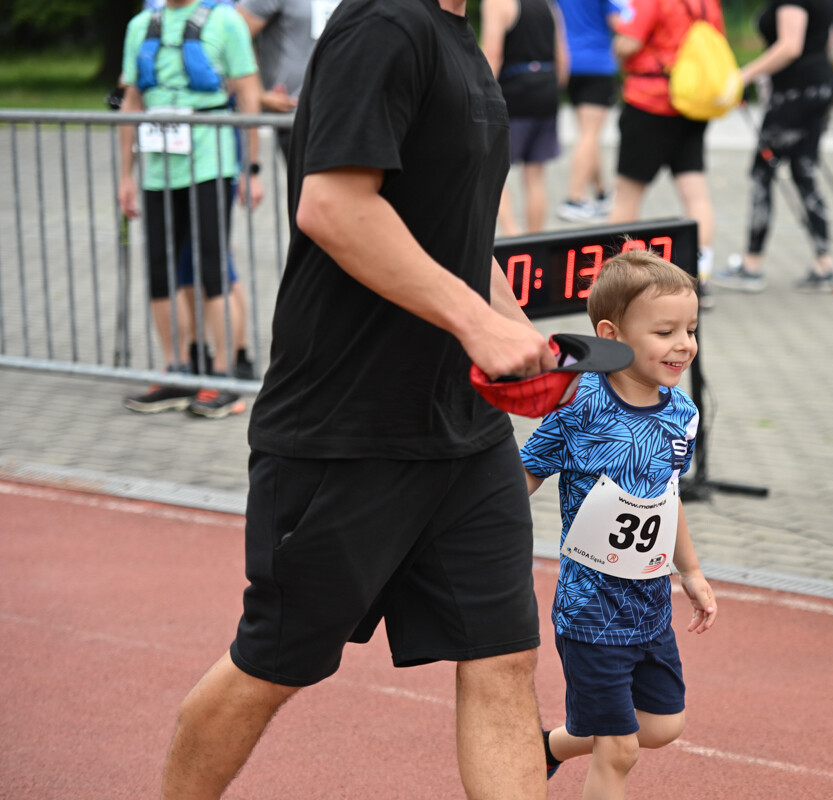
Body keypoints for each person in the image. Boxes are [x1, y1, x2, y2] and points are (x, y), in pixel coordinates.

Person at [157, 0, 560, 795]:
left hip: (462, 430)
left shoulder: (458, 34)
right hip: (344, 428)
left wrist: (528, 347)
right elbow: (334, 205)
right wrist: (475, 324)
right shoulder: (382, 25)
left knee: (503, 654)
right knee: (275, 663)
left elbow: (456, 232)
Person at [521, 248, 718, 796]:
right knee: (619, 747)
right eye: (664, 331)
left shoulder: (682, 414)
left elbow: (667, 495)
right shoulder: (578, 405)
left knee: (662, 726)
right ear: (611, 334)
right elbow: (526, 474)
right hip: (590, 610)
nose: (684, 344)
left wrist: (692, 572)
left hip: (649, 605)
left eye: (691, 329)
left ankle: (545, 747)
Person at [117, 0, 264, 419]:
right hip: (158, 169)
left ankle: (222, 377)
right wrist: (125, 175)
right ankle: (177, 369)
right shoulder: (140, 25)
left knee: (213, 267)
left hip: (211, 164)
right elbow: (131, 99)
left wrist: (251, 167)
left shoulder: (226, 21)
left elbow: (249, 93)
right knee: (161, 271)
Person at [712, 0, 833, 294]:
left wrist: (743, 75)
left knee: (762, 172)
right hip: (819, 85)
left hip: (795, 92)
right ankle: (825, 262)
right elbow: (828, 41)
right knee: (804, 171)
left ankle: (752, 264)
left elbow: (790, 46)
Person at [609, 0, 726, 307]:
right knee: (695, 195)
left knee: (627, 195)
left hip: (649, 103)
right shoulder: (707, 2)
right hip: (692, 105)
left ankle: (616, 281)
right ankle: (701, 279)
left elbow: (628, 43)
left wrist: (618, 42)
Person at [481, 0, 569, 236]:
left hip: (513, 94)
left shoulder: (497, 3)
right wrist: (552, 90)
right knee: (535, 176)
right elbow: (562, 57)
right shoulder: (549, 5)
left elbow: (493, 53)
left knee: (493, 169)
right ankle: (535, 237)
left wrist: (480, 96)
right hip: (547, 92)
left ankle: (512, 235)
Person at [238, 0, 332, 163]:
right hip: (297, 114)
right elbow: (236, 33)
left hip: (349, 109)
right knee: (312, 186)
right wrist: (259, 93)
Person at [556, 0, 622, 221]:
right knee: (589, 135)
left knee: (587, 134)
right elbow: (618, 23)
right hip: (598, 65)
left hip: (568, 63)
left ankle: (602, 192)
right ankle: (573, 199)